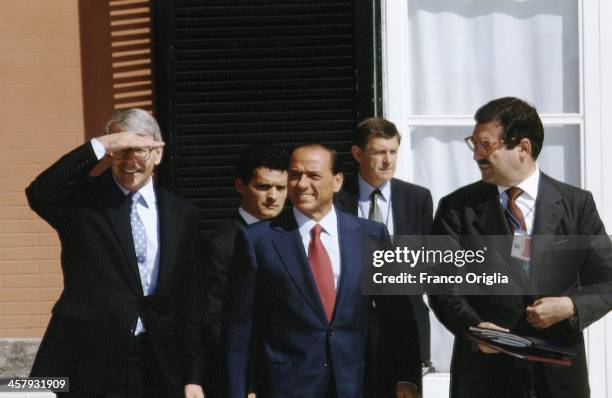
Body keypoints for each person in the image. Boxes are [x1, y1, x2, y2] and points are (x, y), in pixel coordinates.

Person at [429, 97, 612, 398]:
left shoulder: (576, 205)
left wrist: (571, 306)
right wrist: (476, 329)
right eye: (473, 144)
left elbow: (607, 280)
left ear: (523, 148)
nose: (476, 155)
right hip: (484, 379)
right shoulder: (456, 209)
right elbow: (441, 285)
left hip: (558, 379)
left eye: (486, 145)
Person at [26, 109, 202, 397]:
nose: (130, 160)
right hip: (87, 352)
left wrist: (193, 376)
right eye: (122, 150)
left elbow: (189, 298)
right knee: (23, 392)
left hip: (156, 355)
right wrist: (103, 144)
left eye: (140, 149)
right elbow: (39, 193)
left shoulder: (183, 214)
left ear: (158, 154)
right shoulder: (83, 202)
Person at [224, 144, 418, 397]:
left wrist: (406, 378)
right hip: (285, 386)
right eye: (294, 175)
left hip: (357, 384)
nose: (302, 184)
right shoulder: (257, 240)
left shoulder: (371, 234)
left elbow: (398, 316)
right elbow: (238, 328)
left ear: (337, 181)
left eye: (313, 175)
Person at [335, 117, 433, 395]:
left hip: (405, 328)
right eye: (379, 152)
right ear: (357, 153)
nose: (388, 160)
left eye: (393, 152)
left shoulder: (417, 198)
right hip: (350, 325)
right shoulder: (337, 197)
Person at [184, 144, 289, 398]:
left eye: (281, 188)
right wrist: (246, 381)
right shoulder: (219, 242)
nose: (273, 196)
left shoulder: (296, 237)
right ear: (240, 185)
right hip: (240, 377)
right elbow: (211, 319)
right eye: (263, 187)